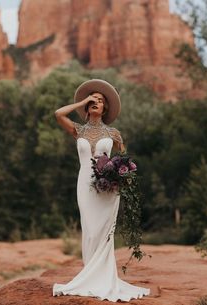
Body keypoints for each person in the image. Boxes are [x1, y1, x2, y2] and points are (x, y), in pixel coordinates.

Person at [52, 79, 150, 302]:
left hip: (108, 187)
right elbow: (58, 114)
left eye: (100, 100)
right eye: (93, 99)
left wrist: (120, 174)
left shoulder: (114, 133)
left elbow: (123, 158)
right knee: (90, 229)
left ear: (105, 108)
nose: (96, 102)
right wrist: (82, 101)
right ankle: (89, 275)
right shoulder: (78, 130)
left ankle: (103, 277)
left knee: (105, 232)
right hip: (84, 183)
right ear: (87, 106)